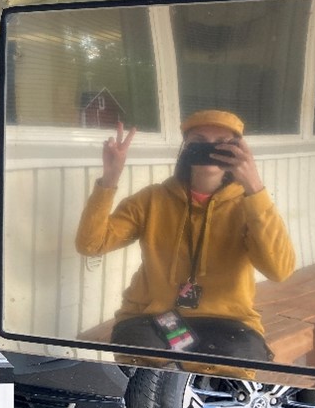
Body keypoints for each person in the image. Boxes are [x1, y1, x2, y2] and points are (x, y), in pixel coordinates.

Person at [75, 110, 296, 361]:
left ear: (239, 152)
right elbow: (91, 244)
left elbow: (280, 270)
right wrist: (110, 177)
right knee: (147, 370)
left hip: (227, 322)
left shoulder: (250, 206)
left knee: (231, 376)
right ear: (185, 150)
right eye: (198, 142)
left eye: (222, 144)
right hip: (149, 318)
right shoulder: (152, 200)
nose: (209, 149)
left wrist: (254, 186)